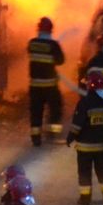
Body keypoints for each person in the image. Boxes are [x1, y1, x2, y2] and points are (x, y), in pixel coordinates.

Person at [66, 70, 103, 205]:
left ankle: (85, 198)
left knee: (84, 172)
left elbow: (77, 124)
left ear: (90, 84)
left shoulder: (85, 103)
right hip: (101, 145)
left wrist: (70, 137)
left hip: (85, 147)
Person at [27, 17, 65, 146]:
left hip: (34, 86)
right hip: (50, 86)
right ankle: (51, 135)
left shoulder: (31, 43)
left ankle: (36, 138)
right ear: (50, 30)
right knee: (55, 109)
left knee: (36, 111)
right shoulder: (53, 45)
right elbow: (60, 61)